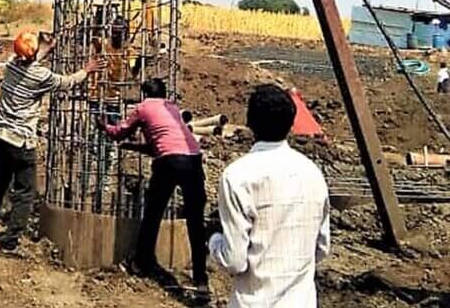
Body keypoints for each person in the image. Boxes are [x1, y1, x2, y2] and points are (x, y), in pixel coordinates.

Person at [0, 29, 103, 255]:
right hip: (21, 141)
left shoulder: (11, 65)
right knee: (25, 191)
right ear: (35, 52)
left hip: (1, 136)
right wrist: (86, 70)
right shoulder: (40, 76)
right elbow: (66, 82)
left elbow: (30, 57)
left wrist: (45, 47)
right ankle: (10, 241)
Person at [208, 84, 330, 308]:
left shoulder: (237, 176)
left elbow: (234, 261)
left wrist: (214, 240)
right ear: (292, 123)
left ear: (250, 123)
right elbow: (321, 248)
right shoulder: (312, 173)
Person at [99, 77, 208, 292]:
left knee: (153, 214)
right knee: (196, 221)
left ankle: (141, 262)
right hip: (194, 159)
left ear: (144, 94)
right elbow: (161, 145)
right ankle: (201, 279)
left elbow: (120, 131)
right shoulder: (171, 108)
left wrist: (104, 127)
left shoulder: (143, 107)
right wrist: (133, 147)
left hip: (168, 162)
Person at [86, 15, 141, 212]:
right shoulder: (103, 44)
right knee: (92, 141)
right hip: (96, 97)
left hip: (114, 101)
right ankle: (87, 181)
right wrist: (95, 23)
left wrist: (140, 63)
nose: (117, 33)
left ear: (125, 32)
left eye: (121, 30)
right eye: (115, 29)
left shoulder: (128, 50)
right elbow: (93, 37)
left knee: (110, 142)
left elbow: (134, 71)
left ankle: (105, 183)